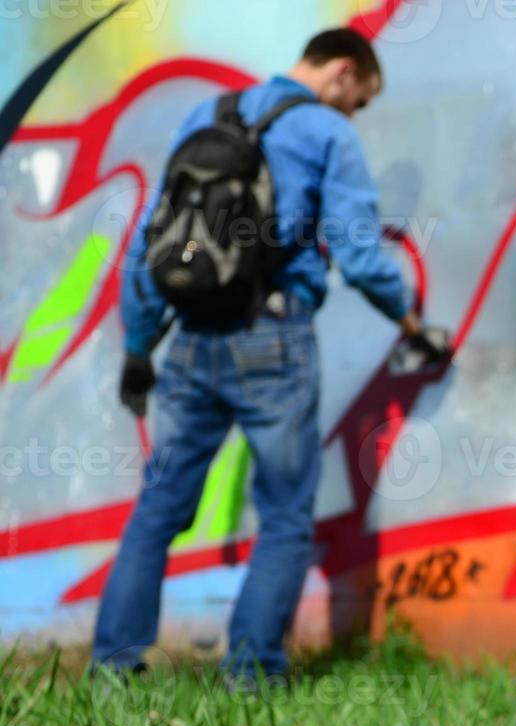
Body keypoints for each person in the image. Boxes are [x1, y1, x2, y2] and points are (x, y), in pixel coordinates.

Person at [92, 28, 440, 683]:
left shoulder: (208, 115)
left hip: (191, 337)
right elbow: (361, 257)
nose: (353, 114)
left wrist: (139, 346)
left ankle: (112, 669)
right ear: (342, 71)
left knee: (160, 506)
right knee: (283, 512)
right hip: (274, 343)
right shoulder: (328, 134)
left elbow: (150, 241)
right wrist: (411, 320)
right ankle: (251, 675)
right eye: (358, 100)